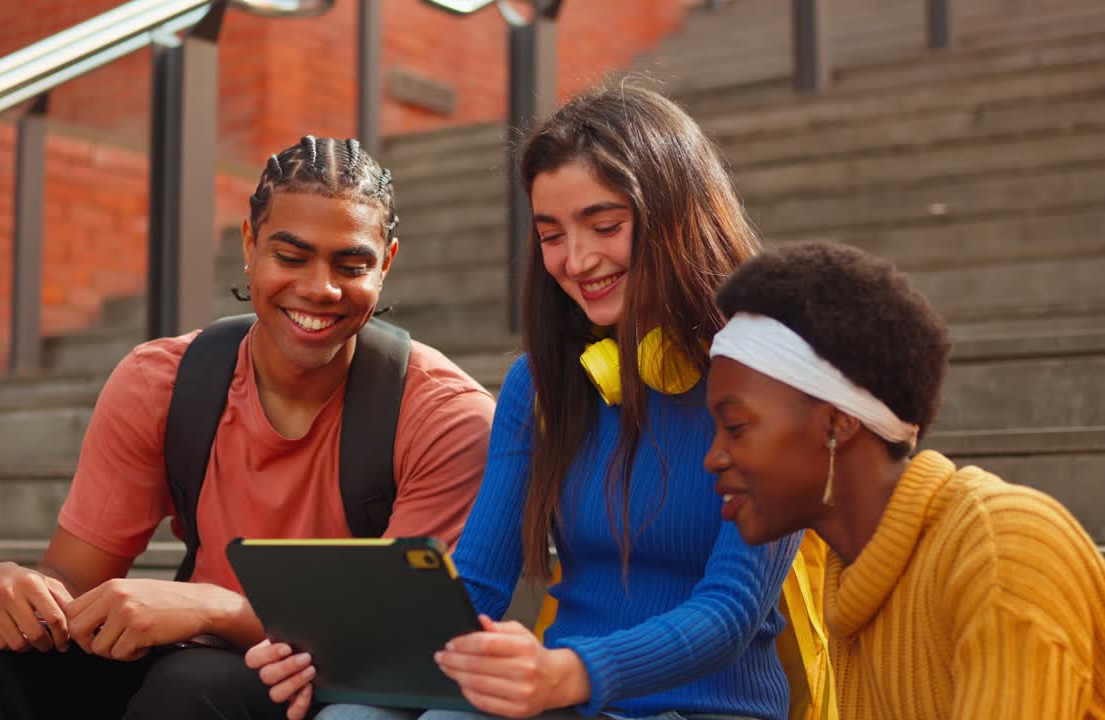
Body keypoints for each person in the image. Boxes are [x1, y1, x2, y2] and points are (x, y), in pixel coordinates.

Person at [252, 84, 801, 720]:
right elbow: (478, 586)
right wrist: (337, 655)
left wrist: (571, 671)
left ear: (677, 214)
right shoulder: (539, 383)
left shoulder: (768, 379)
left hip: (700, 707)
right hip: (560, 697)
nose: (577, 260)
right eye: (551, 235)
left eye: (605, 226)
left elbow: (730, 612)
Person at [0, 136, 497, 720]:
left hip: (321, 678)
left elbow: (402, 640)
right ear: (249, 244)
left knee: (193, 690)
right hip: (183, 657)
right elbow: (71, 578)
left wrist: (215, 608)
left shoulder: (445, 416)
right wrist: (15, 588)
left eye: (351, 264)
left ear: (387, 263)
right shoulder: (162, 382)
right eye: (290, 257)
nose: (319, 288)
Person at [704, 241, 1105, 719]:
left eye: (736, 427)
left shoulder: (1000, 547)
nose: (713, 457)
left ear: (837, 423)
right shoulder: (857, 593)